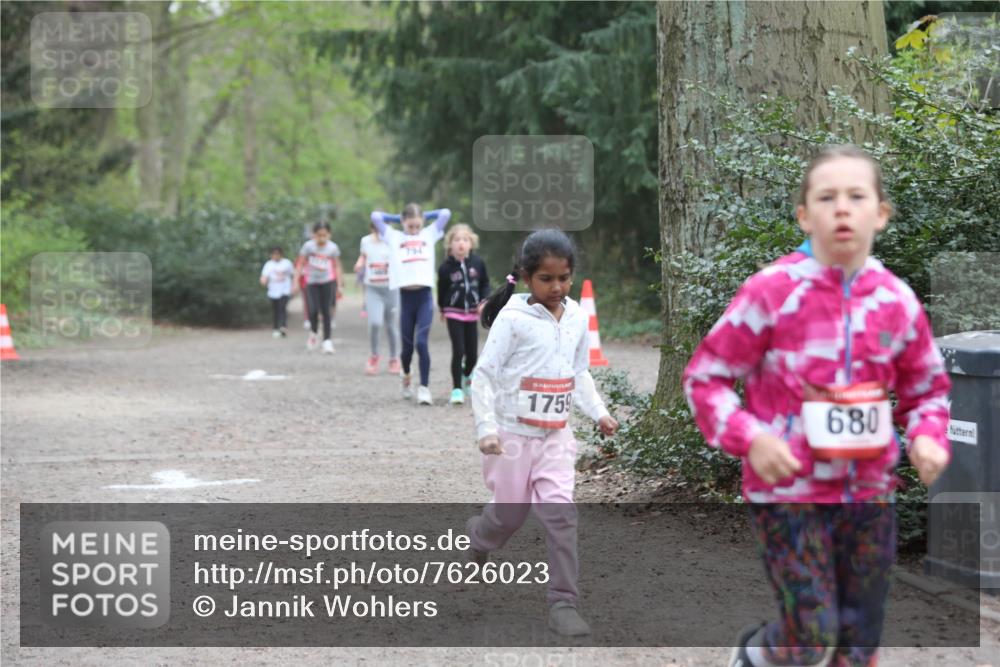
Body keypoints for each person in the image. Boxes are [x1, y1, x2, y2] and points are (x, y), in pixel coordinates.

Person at [682, 145, 951, 667]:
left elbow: (927, 389)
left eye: (857, 196)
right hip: (790, 495)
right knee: (812, 633)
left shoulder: (897, 301)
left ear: (881, 213)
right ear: (805, 215)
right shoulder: (771, 292)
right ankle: (756, 656)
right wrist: (751, 437)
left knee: (858, 640)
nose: (842, 208)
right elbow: (706, 378)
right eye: (826, 197)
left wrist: (927, 436)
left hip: (869, 499)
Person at [466, 229, 618, 636]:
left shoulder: (577, 318)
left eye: (565, 278)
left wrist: (599, 412)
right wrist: (486, 429)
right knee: (508, 516)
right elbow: (483, 376)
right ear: (527, 276)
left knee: (560, 514)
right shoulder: (512, 321)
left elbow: (579, 372)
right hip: (511, 440)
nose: (557, 287)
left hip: (556, 437)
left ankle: (563, 602)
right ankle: (480, 536)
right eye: (547, 279)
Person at [370, 203, 451, 405]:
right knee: (406, 349)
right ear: (404, 222)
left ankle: (424, 387)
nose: (414, 230)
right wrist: (398, 219)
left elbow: (445, 213)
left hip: (424, 296)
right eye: (410, 226)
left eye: (417, 226)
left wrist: (422, 216)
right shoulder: (395, 237)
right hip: (405, 298)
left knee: (421, 343)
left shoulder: (428, 234)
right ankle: (406, 376)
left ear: (422, 223)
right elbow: (376, 216)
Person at [437, 224, 490, 405]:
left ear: (471, 243)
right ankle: (457, 389)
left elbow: (484, 283)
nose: (461, 243)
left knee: (472, 354)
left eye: (465, 240)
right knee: (458, 350)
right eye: (457, 240)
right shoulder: (445, 268)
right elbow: (442, 289)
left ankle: (468, 375)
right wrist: (442, 308)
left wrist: (484, 301)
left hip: (472, 313)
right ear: (450, 244)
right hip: (454, 313)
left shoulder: (478, 263)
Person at [355, 221, 402, 375]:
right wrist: (359, 263)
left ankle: (394, 358)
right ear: (372, 229)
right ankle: (374, 356)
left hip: (391, 289)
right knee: (375, 323)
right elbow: (364, 257)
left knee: (391, 325)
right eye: (376, 230)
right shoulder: (366, 241)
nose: (378, 233)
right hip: (373, 289)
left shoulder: (394, 241)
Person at [293, 222, 343, 354]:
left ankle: (327, 341)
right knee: (313, 309)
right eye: (318, 235)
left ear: (329, 235)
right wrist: (295, 281)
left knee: (326, 311)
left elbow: (337, 266)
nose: (321, 238)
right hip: (312, 282)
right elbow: (300, 264)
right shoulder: (308, 247)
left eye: (324, 235)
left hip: (328, 281)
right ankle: (313, 333)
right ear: (313, 235)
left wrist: (339, 284)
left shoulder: (333, 248)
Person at [260, 246, 293, 338]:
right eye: (274, 254)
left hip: (285, 290)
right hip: (273, 291)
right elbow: (264, 276)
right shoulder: (269, 264)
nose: (275, 256)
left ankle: (283, 327)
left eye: (277, 254)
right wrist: (263, 280)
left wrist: (294, 286)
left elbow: (293, 274)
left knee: (282, 308)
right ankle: (275, 328)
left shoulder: (287, 263)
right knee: (276, 310)